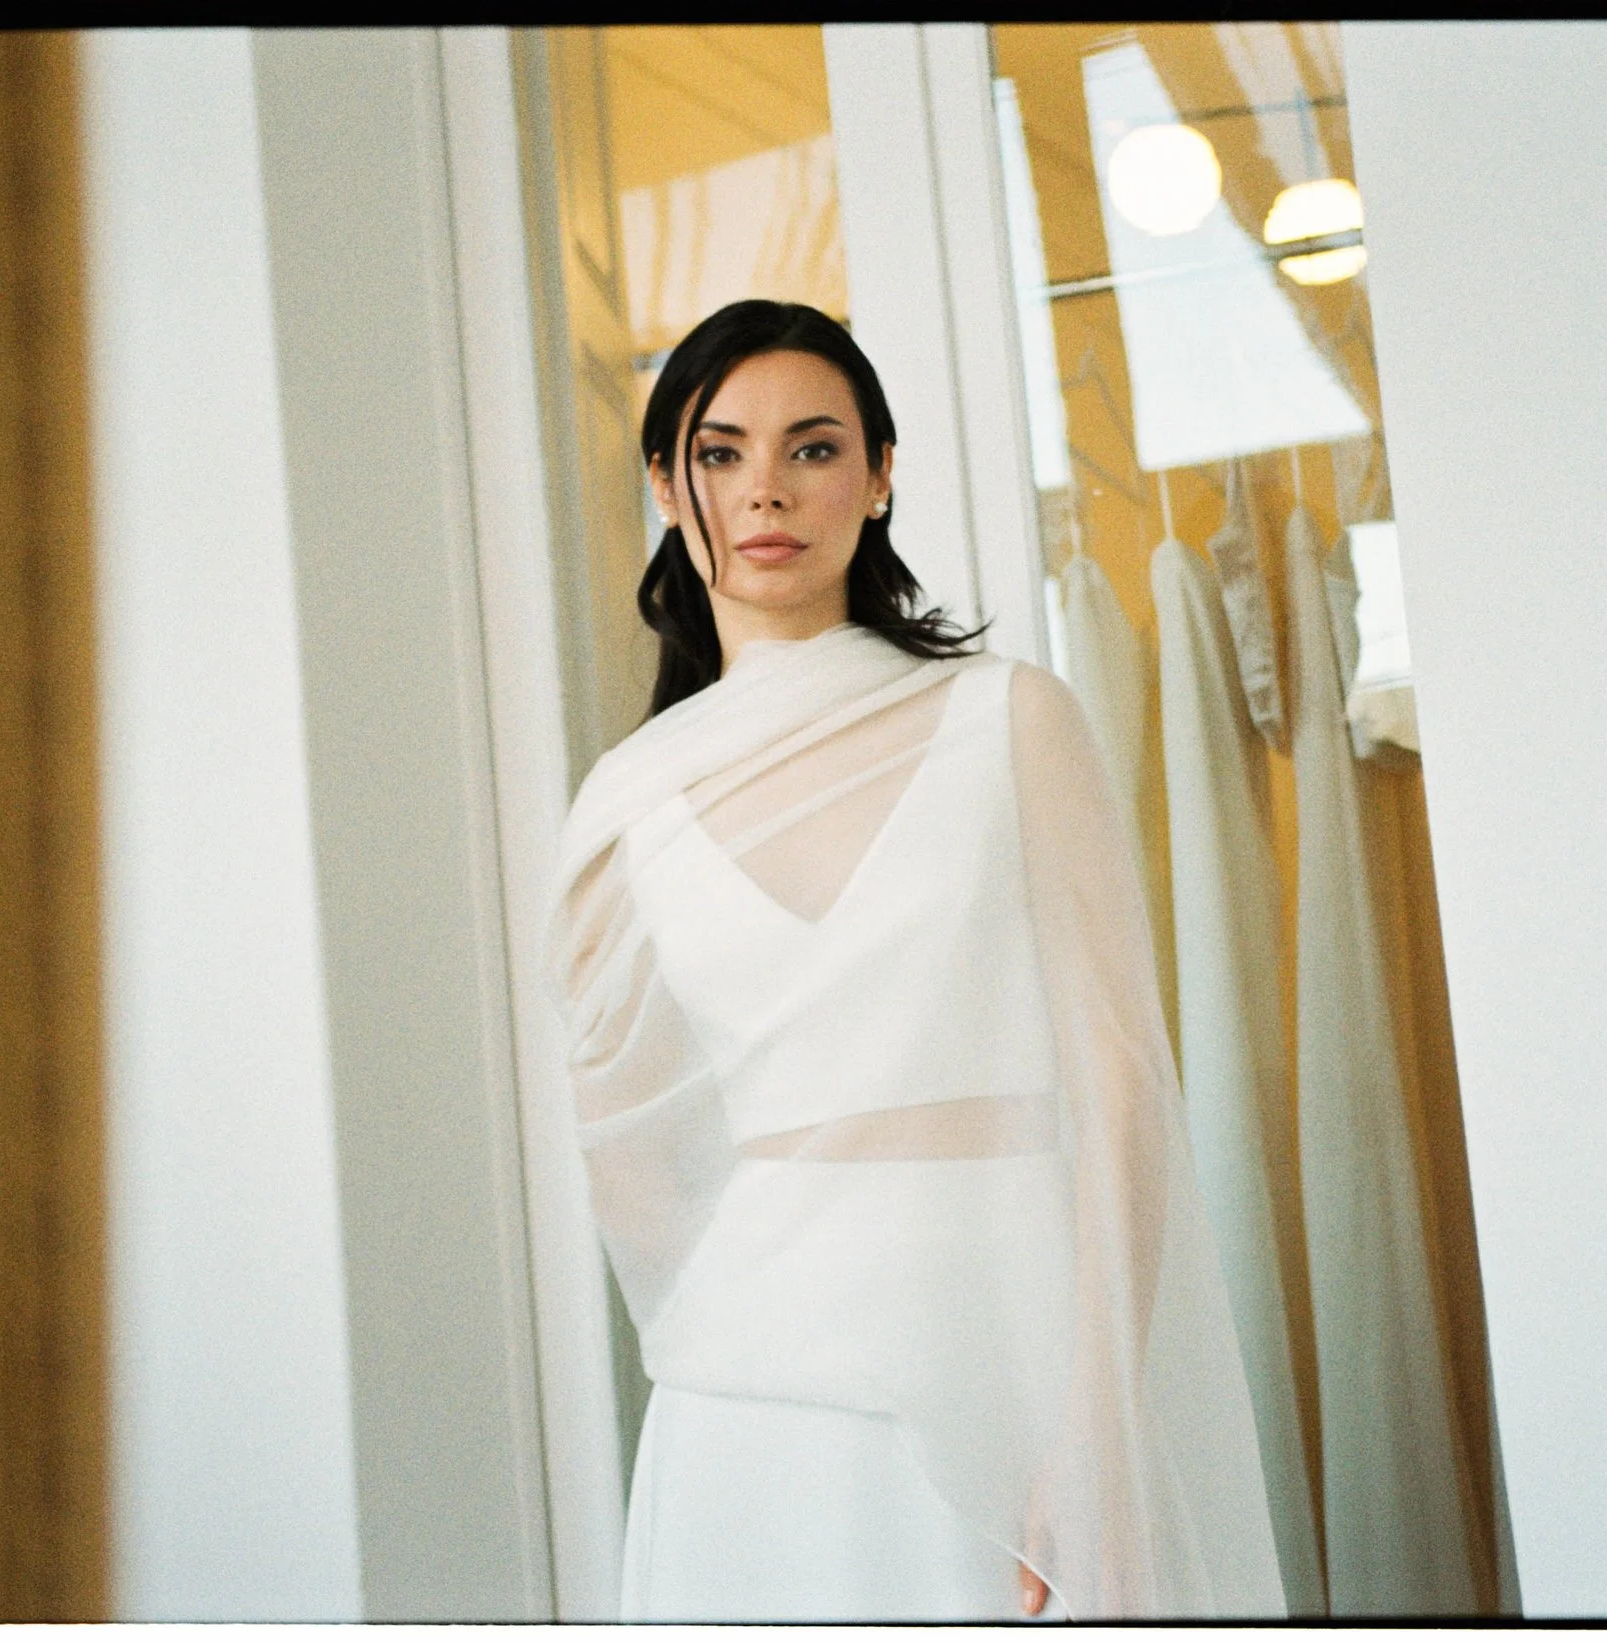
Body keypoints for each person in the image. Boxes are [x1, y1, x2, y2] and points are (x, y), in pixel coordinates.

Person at [548, 300, 1287, 1623]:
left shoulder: (1011, 717)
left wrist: (1099, 1420)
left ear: (880, 473)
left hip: (1009, 1327)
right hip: (752, 1392)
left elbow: (1121, 1084)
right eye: (720, 452)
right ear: (663, 485)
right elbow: (629, 1160)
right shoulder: (625, 798)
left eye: (813, 447)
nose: (766, 489)